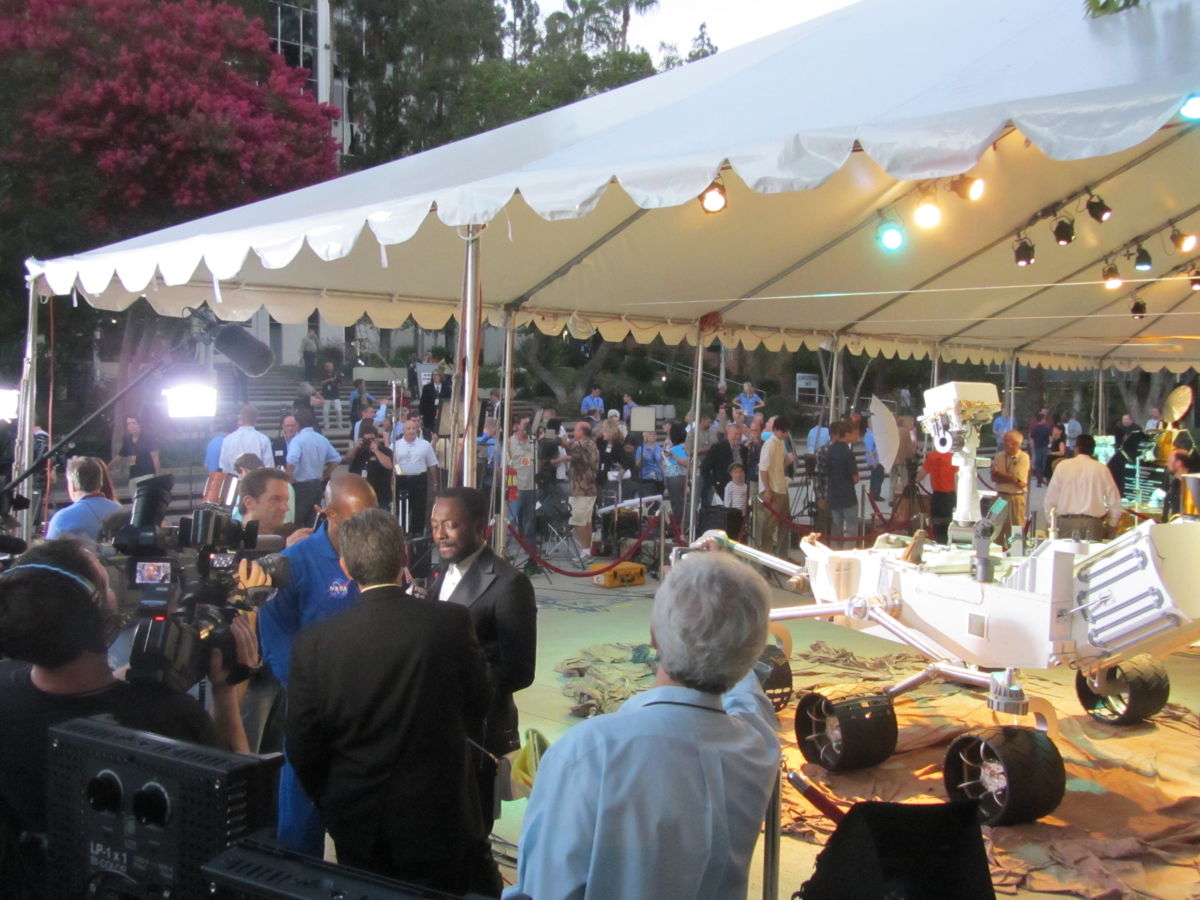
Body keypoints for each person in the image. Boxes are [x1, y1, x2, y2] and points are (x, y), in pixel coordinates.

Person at [506, 550, 780, 900]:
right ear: (752, 653)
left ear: (654, 637)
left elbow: (545, 888)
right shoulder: (758, 748)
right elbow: (750, 700)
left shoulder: (589, 753)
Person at [0, 540, 254, 898]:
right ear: (95, 615)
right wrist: (225, 692)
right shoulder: (169, 717)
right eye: (107, 584)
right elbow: (238, 814)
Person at [286, 509, 500, 895]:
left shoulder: (313, 643)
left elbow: (303, 744)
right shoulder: (449, 622)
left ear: (346, 568)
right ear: (404, 556)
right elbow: (479, 704)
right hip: (439, 812)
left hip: (357, 817)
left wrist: (334, 800)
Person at [257, 473, 377, 855]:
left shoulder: (375, 558)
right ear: (328, 515)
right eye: (355, 521)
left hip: (365, 717)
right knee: (300, 828)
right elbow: (277, 645)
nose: (364, 530)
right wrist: (317, 699)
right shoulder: (290, 566)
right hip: (313, 716)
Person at [428, 488, 537, 831]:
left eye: (451, 525)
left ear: (480, 527)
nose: (440, 534)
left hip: (479, 730)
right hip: (439, 727)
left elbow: (520, 669)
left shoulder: (509, 584)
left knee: (472, 828)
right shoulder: (441, 573)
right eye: (435, 525)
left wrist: (460, 686)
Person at [1042, 435, 1122, 541]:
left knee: (1067, 557)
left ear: (1077, 448)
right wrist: (1112, 524)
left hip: (1066, 523)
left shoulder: (1063, 466)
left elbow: (1050, 498)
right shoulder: (1102, 469)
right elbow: (1114, 499)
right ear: (1093, 450)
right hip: (1093, 523)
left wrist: (1050, 521)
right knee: (1092, 557)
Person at [285, 407, 341, 528]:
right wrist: (324, 475)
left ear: (298, 423)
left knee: (297, 521)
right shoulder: (321, 439)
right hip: (317, 484)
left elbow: (291, 460)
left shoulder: (298, 440)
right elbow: (336, 459)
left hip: (301, 486)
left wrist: (288, 479)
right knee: (314, 522)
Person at [552, 421, 599, 562]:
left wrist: (558, 436)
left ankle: (586, 552)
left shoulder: (584, 444)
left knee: (578, 521)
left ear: (582, 432)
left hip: (582, 490)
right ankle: (587, 550)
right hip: (585, 489)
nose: (574, 432)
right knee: (586, 522)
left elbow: (567, 444)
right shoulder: (589, 444)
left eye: (576, 429)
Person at [45, 457, 123, 541]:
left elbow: (49, 552)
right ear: (100, 482)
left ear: (73, 485)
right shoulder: (120, 511)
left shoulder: (62, 518)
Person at [392, 416, 440, 535]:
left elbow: (432, 464)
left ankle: (417, 533)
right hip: (402, 479)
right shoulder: (395, 445)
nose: (412, 431)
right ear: (403, 430)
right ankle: (403, 533)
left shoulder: (425, 445)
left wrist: (435, 482)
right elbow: (392, 463)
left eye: (414, 428)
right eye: (409, 428)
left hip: (419, 479)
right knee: (402, 508)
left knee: (419, 508)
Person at [757, 416, 792, 558]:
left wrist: (786, 463)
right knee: (769, 526)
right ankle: (766, 558)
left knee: (785, 523)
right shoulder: (770, 444)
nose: (785, 434)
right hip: (772, 489)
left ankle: (781, 556)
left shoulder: (780, 443)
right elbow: (763, 468)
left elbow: (776, 466)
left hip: (781, 487)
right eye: (783, 432)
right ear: (776, 430)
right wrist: (767, 489)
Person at [990, 429, 1030, 543]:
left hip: (1015, 498)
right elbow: (994, 478)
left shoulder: (1023, 457)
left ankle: (1016, 553)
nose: (1004, 443)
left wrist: (1000, 474)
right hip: (1000, 496)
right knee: (996, 527)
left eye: (1007, 441)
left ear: (1016, 444)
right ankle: (996, 551)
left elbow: (1019, 481)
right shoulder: (998, 456)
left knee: (1016, 528)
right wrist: (1010, 477)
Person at [825, 420, 860, 547]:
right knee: (851, 529)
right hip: (848, 495)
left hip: (833, 494)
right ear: (846, 434)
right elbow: (855, 477)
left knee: (836, 530)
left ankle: (835, 555)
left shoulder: (829, 451)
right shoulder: (848, 453)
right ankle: (848, 556)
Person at [342, 421, 394, 508]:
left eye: (372, 439)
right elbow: (347, 460)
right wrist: (356, 447)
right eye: (367, 440)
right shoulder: (358, 451)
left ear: (377, 438)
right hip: (360, 494)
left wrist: (376, 451)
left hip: (380, 495)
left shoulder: (385, 451)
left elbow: (389, 465)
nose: (369, 442)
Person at [507, 418, 538, 550]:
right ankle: (505, 546)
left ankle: (529, 547)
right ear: (517, 425)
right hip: (516, 486)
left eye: (528, 424)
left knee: (529, 518)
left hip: (532, 485)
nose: (526, 427)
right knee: (512, 518)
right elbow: (506, 465)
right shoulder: (510, 442)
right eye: (524, 424)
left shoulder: (534, 441)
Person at [238, 465, 293, 537]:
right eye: (276, 499)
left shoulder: (291, 537)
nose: (286, 508)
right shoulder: (230, 543)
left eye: (286, 500)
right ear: (249, 502)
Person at [219, 405, 274, 474]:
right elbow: (269, 467)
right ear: (256, 419)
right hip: (256, 481)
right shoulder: (263, 439)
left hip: (235, 481)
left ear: (240, 418)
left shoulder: (227, 440)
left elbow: (224, 467)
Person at [108, 414, 159, 489]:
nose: (131, 426)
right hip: (133, 477)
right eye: (129, 424)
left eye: (134, 423)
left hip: (147, 475)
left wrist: (157, 476)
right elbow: (119, 456)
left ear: (139, 424)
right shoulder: (127, 440)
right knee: (135, 499)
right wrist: (106, 468)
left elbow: (155, 457)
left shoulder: (148, 438)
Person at [922, 448, 958, 544]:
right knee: (949, 524)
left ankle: (938, 541)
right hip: (949, 496)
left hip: (937, 496)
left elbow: (921, 475)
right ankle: (947, 542)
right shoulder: (954, 457)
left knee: (936, 524)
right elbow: (956, 479)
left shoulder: (932, 456)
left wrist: (913, 479)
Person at [663, 423, 689, 535]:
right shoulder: (680, 446)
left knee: (677, 502)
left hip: (675, 476)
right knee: (677, 502)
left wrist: (673, 454)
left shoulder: (678, 448)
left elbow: (685, 462)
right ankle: (677, 525)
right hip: (676, 476)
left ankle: (677, 526)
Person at [1163, 449, 1200, 519]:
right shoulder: (1174, 484)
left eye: (1169, 461)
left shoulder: (1194, 486)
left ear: (1178, 463)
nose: (1166, 464)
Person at [635, 429, 664, 496]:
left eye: (654, 434)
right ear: (646, 437)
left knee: (658, 497)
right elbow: (637, 465)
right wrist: (642, 458)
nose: (653, 436)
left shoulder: (658, 447)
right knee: (648, 498)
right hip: (646, 476)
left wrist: (663, 476)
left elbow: (660, 463)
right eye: (650, 434)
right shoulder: (641, 448)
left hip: (657, 476)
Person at [862, 419, 885, 502]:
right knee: (877, 477)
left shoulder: (874, 434)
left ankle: (874, 493)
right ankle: (875, 494)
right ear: (869, 424)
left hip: (879, 459)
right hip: (875, 460)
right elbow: (870, 450)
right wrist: (874, 461)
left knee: (878, 477)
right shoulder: (869, 435)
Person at [319, 361, 343, 432]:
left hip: (335, 395)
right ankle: (326, 425)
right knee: (325, 411)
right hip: (326, 396)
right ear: (326, 368)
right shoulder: (323, 375)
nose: (330, 368)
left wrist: (338, 384)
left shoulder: (336, 374)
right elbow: (321, 383)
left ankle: (339, 424)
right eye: (329, 367)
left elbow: (340, 383)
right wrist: (329, 380)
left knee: (339, 410)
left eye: (331, 367)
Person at [1029, 412, 1052, 487]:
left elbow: (1032, 439)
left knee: (1037, 464)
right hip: (1044, 447)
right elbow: (1049, 438)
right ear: (1042, 419)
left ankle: (1039, 480)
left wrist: (1033, 447)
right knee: (1043, 463)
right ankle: (1042, 478)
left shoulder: (1035, 429)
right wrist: (1049, 444)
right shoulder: (1046, 428)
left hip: (1037, 448)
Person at [419, 370, 444, 437]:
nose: (435, 377)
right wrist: (422, 415)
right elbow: (422, 403)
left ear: (441, 376)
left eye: (437, 375)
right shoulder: (427, 388)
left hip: (442, 418)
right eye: (433, 375)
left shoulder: (446, 388)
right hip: (429, 418)